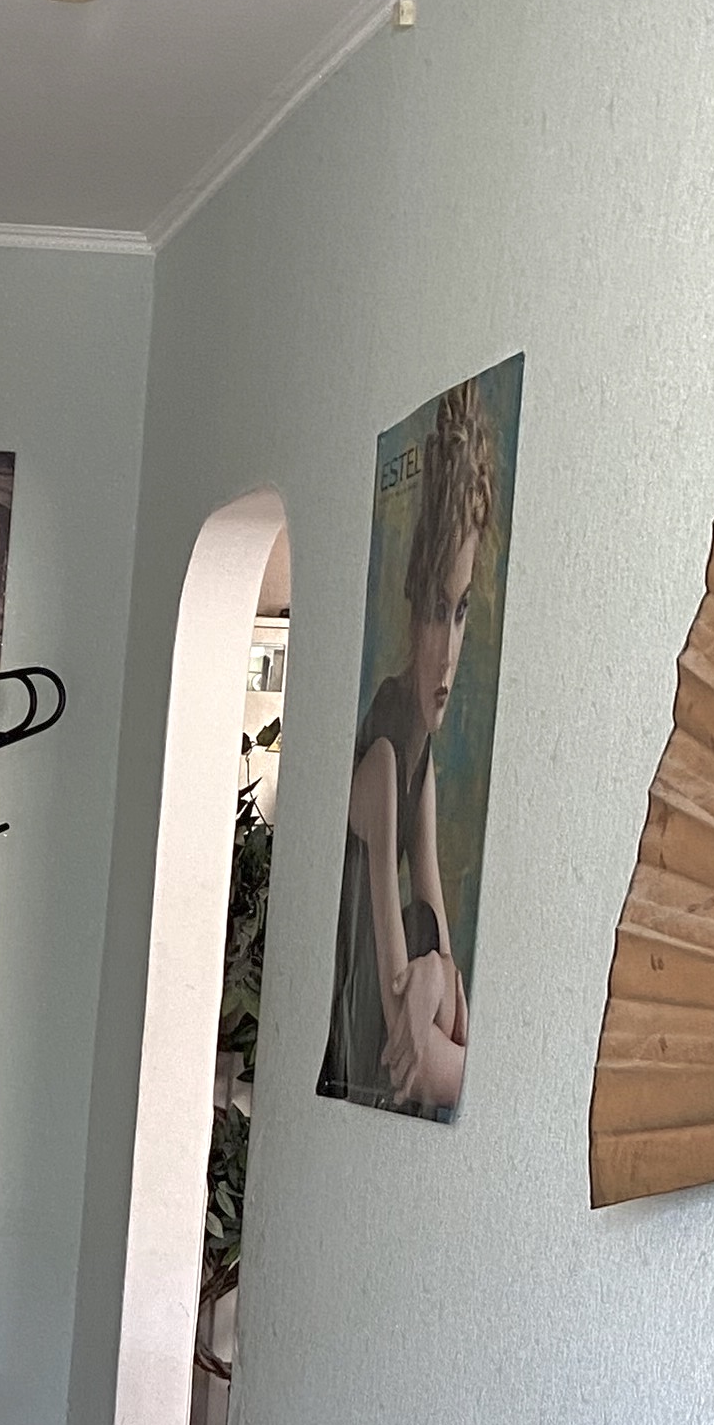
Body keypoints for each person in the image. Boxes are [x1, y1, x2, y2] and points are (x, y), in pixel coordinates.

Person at [321, 377, 493, 1116]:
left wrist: (433, 978)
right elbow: (403, 1033)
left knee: (432, 949)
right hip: (360, 1028)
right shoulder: (387, 758)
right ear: (411, 613)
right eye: (435, 612)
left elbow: (453, 1007)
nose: (447, 651)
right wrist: (425, 984)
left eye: (461, 612)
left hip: (393, 1023)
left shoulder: (423, 763)